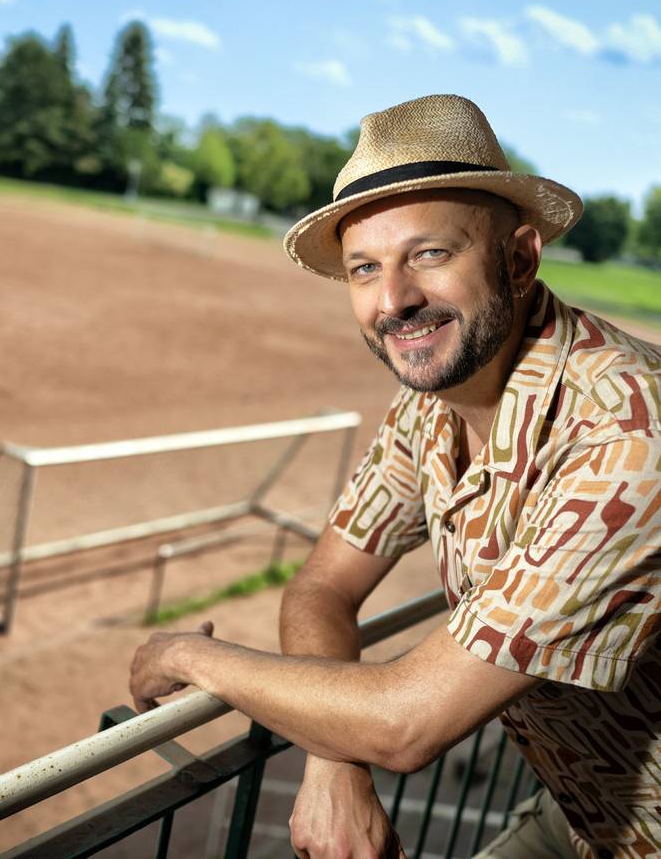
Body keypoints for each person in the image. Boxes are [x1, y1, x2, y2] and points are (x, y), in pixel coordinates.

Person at [128, 95, 660, 858]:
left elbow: (408, 724)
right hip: (590, 815)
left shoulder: (632, 435)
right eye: (365, 269)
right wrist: (332, 758)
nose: (394, 301)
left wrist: (187, 656)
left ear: (519, 257)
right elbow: (325, 585)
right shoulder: (431, 403)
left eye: (430, 255)